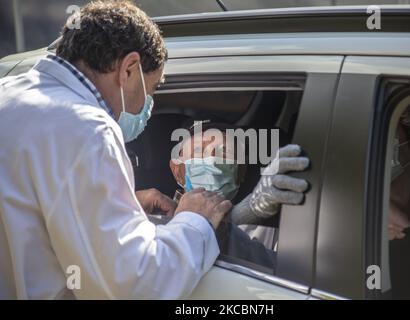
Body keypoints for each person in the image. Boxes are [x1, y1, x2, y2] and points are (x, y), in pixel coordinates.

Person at [0, 1, 244, 299]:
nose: (147, 107)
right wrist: (195, 221)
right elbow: (133, 285)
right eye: (151, 91)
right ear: (129, 69)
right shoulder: (89, 129)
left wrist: (118, 206)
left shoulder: (9, 92)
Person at [168, 120, 309, 253]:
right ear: (177, 171)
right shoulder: (157, 219)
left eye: (224, 153)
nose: (211, 160)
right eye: (198, 152)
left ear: (241, 171)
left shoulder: (272, 228)